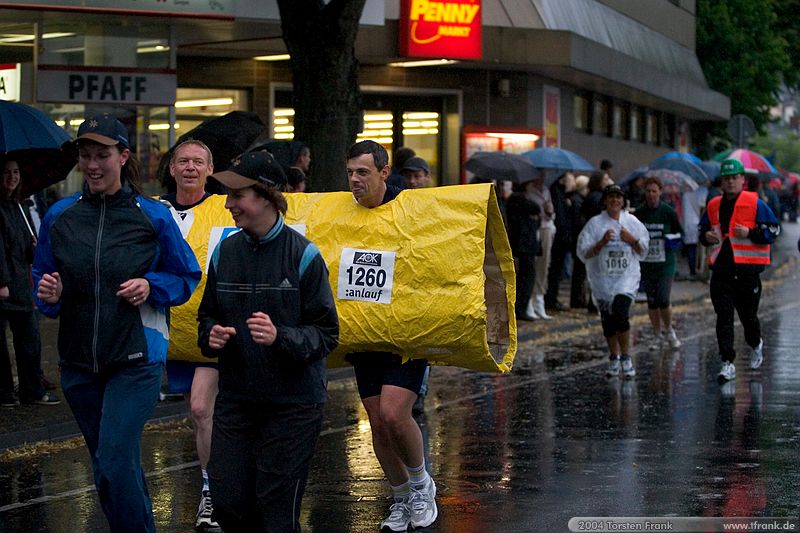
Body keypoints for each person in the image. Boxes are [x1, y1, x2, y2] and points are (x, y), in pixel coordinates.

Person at [32, 114, 201, 533]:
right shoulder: (61, 215)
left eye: (102, 155)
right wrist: (48, 294)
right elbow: (43, 277)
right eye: (85, 156)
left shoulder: (152, 216)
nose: (92, 165)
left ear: (123, 157)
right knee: (110, 465)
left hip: (135, 358)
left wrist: (150, 284)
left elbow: (186, 276)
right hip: (78, 362)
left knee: (113, 458)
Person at [197, 151, 339, 532]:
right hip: (237, 400)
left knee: (276, 512)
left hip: (292, 404)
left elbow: (326, 333)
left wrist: (280, 337)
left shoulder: (303, 255)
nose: (228, 204)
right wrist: (211, 335)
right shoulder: (225, 252)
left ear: (266, 195)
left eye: (237, 195)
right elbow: (207, 316)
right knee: (227, 502)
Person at [345, 140, 438, 531]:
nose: (354, 180)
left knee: (392, 412)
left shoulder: (410, 209)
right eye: (349, 172)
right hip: (364, 330)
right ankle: (400, 497)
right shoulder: (340, 213)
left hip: (405, 332)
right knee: (376, 421)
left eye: (362, 172)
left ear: (384, 173)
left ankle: (421, 485)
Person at [160, 139, 223, 532]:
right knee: (199, 412)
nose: (190, 168)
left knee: (202, 408)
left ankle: (211, 493)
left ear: (209, 169)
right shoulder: (153, 211)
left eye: (198, 162)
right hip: (171, 334)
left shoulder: (225, 209)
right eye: (183, 161)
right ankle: (218, 479)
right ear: (171, 168)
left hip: (214, 331)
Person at [698, 159, 779, 383]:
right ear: (722, 182)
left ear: (743, 180)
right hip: (722, 272)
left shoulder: (755, 203)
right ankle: (727, 362)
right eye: (727, 179)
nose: (731, 182)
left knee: (748, 318)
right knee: (723, 317)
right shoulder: (713, 204)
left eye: (735, 178)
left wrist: (751, 233)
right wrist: (705, 236)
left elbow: (774, 230)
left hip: (747, 273)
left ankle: (756, 343)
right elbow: (702, 230)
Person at [0, 159, 60, 407]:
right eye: (6, 173)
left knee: (29, 339)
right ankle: (5, 393)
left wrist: (34, 250)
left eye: (15, 172)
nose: (12, 178)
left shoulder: (18, 207)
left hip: (20, 285)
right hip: (5, 286)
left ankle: (31, 389)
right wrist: (1, 282)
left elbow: (23, 248)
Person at [577, 184, 649, 379]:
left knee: (620, 311)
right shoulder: (595, 224)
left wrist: (632, 240)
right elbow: (583, 252)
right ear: (605, 201)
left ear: (623, 201)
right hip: (603, 279)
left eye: (618, 197)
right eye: (611, 197)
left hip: (626, 278)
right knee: (607, 320)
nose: (615, 201)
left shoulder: (632, 222)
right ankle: (614, 356)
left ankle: (626, 356)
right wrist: (601, 243)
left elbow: (644, 250)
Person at [633, 177, 684, 349]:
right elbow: (633, 233)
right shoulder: (639, 213)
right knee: (652, 301)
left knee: (663, 299)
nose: (651, 194)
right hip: (647, 264)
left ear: (660, 192)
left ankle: (669, 330)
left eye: (654, 191)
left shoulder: (668, 212)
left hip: (665, 263)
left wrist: (672, 241)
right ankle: (657, 334)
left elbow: (680, 233)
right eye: (648, 191)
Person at [506, 182, 541, 321]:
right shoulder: (519, 199)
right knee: (527, 276)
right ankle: (520, 308)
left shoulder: (514, 199)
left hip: (522, 242)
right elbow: (535, 208)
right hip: (524, 243)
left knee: (525, 276)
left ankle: (520, 307)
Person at [545, 171, 576, 312]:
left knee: (555, 270)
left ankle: (551, 298)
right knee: (554, 270)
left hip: (562, 236)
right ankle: (550, 298)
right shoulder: (557, 192)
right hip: (560, 237)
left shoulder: (562, 194)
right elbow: (561, 218)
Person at [527, 169, 555, 319]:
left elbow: (550, 213)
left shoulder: (546, 191)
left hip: (546, 228)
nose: (542, 178)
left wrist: (549, 210)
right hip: (534, 229)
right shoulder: (529, 191)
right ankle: (530, 300)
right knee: (533, 265)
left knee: (544, 265)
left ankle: (539, 298)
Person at [569, 174, 589, 308]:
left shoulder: (576, 200)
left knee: (579, 271)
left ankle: (578, 297)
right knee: (579, 271)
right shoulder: (578, 201)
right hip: (577, 239)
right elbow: (578, 221)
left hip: (575, 238)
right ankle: (577, 298)